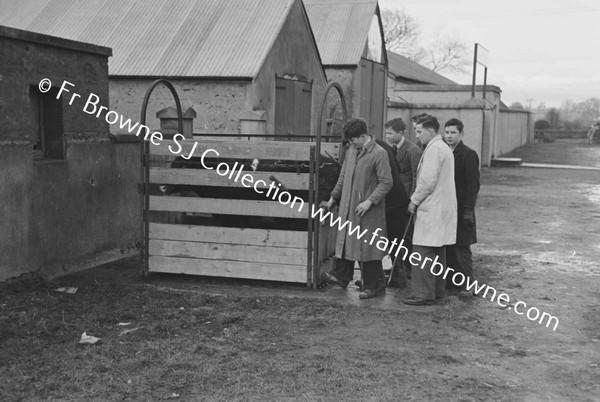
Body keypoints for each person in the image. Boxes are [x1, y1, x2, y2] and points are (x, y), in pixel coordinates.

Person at [323, 118, 393, 299]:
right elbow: (343, 176)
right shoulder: (352, 151)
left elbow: (386, 182)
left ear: (363, 136)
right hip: (348, 206)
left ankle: (375, 286)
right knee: (347, 242)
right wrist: (333, 198)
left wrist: (369, 201)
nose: (351, 143)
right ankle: (342, 277)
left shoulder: (380, 153)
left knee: (368, 247)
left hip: (368, 211)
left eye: (353, 139)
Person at [404, 116, 457, 305]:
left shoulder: (435, 149)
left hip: (432, 207)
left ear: (430, 131)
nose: (417, 136)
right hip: (440, 208)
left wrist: (414, 200)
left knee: (422, 251)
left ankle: (423, 294)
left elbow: (426, 182)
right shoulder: (442, 147)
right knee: (437, 250)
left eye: (419, 132)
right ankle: (437, 291)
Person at [443, 118, 480, 296]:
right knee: (448, 246)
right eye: (447, 132)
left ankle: (469, 284)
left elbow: (473, 184)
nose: (449, 136)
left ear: (461, 134)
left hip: (462, 208)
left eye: (453, 133)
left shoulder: (468, 154)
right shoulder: (443, 151)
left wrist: (468, 210)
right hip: (447, 207)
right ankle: (452, 282)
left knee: (462, 247)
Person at [384, 117, 422, 286]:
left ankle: (408, 270)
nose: (387, 137)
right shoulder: (389, 149)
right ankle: (397, 269)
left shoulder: (413, 150)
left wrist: (412, 200)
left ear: (401, 133)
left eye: (390, 133)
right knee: (393, 237)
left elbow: (416, 178)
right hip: (392, 200)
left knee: (405, 237)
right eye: (386, 133)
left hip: (405, 200)